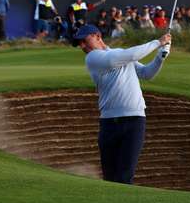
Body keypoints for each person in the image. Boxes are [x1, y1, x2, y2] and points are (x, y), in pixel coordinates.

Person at [70, 24, 171, 184]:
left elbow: (147, 73)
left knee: (125, 176)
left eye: (84, 41)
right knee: (110, 178)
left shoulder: (118, 53)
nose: (82, 46)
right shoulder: (92, 58)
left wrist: (160, 57)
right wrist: (157, 43)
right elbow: (121, 57)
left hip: (135, 121)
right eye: (79, 44)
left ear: (97, 36)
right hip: (109, 124)